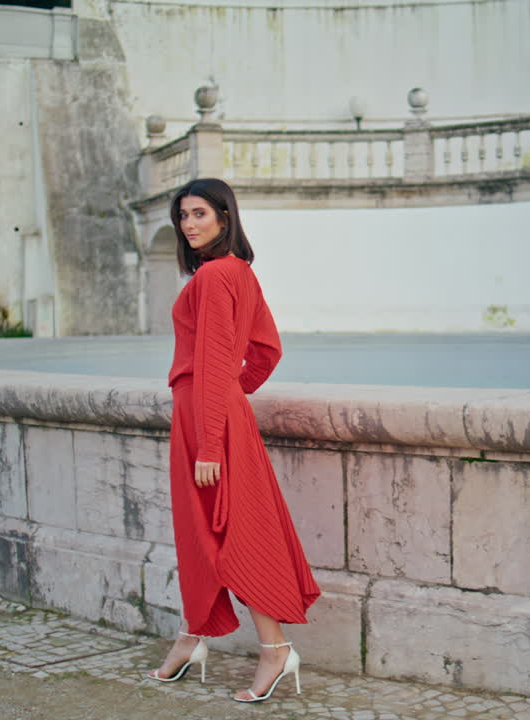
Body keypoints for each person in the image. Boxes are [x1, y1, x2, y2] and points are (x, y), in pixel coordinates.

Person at [146, 178, 321, 703]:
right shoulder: (238, 274)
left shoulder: (217, 276)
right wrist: (233, 401)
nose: (189, 224)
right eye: (183, 216)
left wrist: (210, 435)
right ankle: (193, 639)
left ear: (225, 217)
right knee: (212, 534)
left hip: (207, 424)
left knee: (222, 535)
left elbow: (222, 361)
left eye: (200, 213)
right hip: (217, 416)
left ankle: (271, 649)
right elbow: (267, 352)